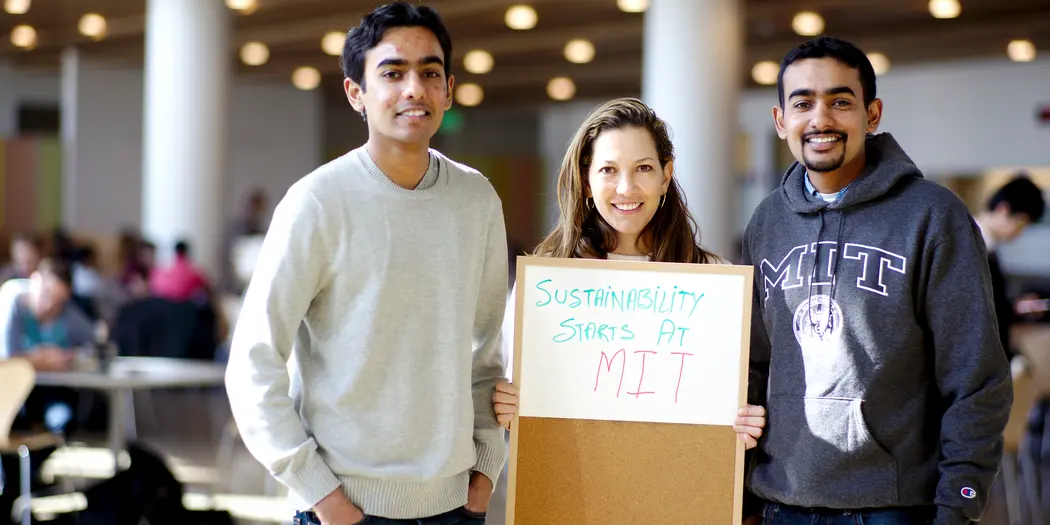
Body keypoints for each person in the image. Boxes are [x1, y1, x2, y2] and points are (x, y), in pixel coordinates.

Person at [224, 3, 508, 525]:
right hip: (344, 507)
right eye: (392, 73)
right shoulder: (316, 202)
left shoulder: (477, 200)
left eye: (429, 73)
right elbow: (252, 362)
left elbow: (486, 354)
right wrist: (320, 495)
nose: (414, 89)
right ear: (356, 92)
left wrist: (486, 472)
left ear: (448, 88)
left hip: (455, 506)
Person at [741, 36, 1011, 524]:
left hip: (893, 508)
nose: (820, 119)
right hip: (780, 503)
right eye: (802, 103)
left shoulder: (932, 215)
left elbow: (977, 379)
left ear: (872, 114)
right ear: (781, 121)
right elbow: (754, 368)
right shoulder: (766, 222)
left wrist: (959, 506)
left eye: (840, 101)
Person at [490, 97, 768, 450]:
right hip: (573, 489)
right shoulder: (545, 285)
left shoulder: (715, 281)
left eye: (643, 169)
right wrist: (505, 404)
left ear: (666, 176)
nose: (626, 188)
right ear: (586, 181)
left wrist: (743, 426)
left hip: (680, 490)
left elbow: (727, 409)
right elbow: (518, 408)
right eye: (608, 170)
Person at [1, 257, 94, 435]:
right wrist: (41, 360)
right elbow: (7, 359)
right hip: (11, 391)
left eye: (58, 301)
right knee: (15, 423)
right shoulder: (13, 298)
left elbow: (94, 342)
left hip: (49, 390)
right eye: (46, 294)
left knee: (65, 419)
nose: (49, 305)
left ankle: (36, 461)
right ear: (34, 279)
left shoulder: (67, 313)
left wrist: (73, 356)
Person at [973, 174, 1046, 361]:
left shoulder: (990, 249)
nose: (1019, 232)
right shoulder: (969, 244)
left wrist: (1016, 307)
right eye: (1020, 223)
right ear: (1003, 209)